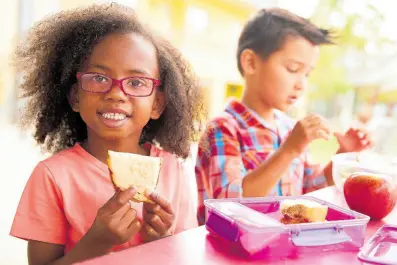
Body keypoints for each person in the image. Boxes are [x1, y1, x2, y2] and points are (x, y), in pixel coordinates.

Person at [10, 4, 205, 264]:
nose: (116, 93)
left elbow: (187, 256)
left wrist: (161, 239)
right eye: (99, 78)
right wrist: (95, 243)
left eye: (136, 82)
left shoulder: (172, 169)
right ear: (75, 96)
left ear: (157, 104)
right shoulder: (52, 177)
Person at [195, 8, 372, 224]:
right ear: (251, 62)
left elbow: (311, 188)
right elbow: (228, 206)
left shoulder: (290, 129)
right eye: (292, 69)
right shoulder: (223, 129)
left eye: (307, 74)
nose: (301, 83)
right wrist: (289, 150)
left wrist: (342, 154)